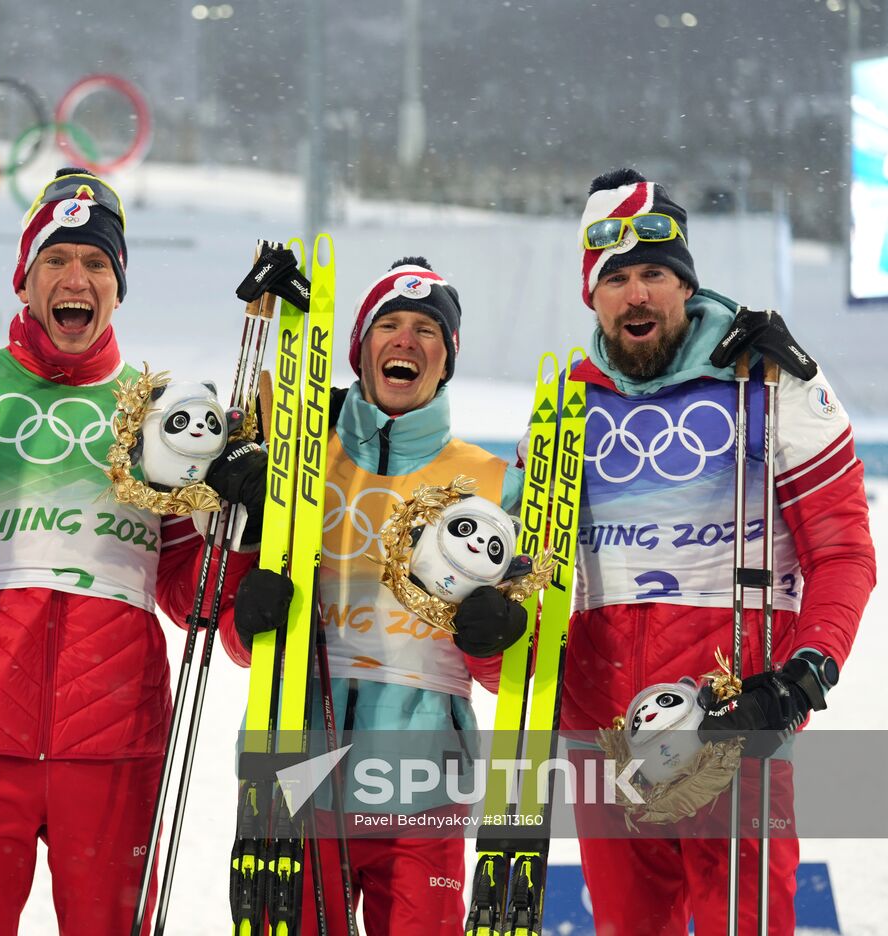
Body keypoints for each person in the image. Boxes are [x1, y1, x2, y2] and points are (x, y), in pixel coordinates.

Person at [0, 166, 256, 935]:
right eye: (56, 259)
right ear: (24, 278)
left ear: (118, 288)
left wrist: (241, 543)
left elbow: (190, 594)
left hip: (115, 740)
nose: (75, 277)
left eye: (96, 264)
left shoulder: (164, 417)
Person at [564, 168, 874, 935]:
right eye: (618, 278)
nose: (638, 295)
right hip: (605, 742)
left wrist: (805, 674)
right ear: (592, 296)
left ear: (684, 286)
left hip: (731, 721)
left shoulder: (769, 374)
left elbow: (844, 553)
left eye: (655, 276)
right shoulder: (568, 400)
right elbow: (526, 579)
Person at [230, 257, 530, 934]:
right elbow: (238, 634)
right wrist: (245, 615)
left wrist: (493, 637)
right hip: (296, 769)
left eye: (428, 330)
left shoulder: (490, 484)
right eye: (388, 323)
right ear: (360, 349)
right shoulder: (303, 465)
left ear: (447, 359)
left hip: (425, 781)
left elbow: (517, 668)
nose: (406, 340)